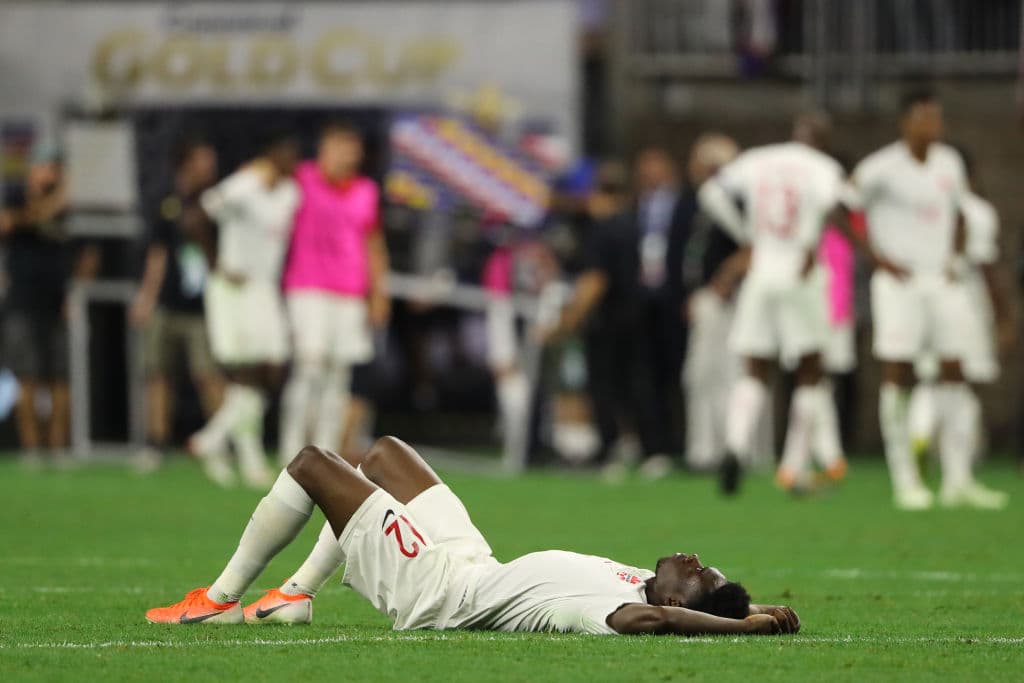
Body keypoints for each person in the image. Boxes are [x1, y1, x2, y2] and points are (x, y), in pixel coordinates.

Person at [145, 436, 800, 637]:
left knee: (314, 465)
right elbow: (682, 599)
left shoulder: (609, 607)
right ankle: (294, 592)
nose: (693, 558)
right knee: (382, 456)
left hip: (439, 591)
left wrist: (746, 627)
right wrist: (760, 606)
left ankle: (220, 595)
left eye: (702, 573)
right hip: (471, 558)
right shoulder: (640, 575)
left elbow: (652, 621)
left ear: (687, 601)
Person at [841, 89, 1009, 510]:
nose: (933, 127)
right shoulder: (881, 167)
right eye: (924, 119)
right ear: (906, 122)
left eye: (937, 119)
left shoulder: (949, 162)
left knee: (955, 368)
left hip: (942, 278)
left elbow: (959, 215)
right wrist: (876, 258)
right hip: (899, 283)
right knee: (900, 369)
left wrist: (954, 255)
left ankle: (958, 477)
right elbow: (843, 207)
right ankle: (905, 478)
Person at [698, 113, 847, 495]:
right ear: (822, 140)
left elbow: (710, 194)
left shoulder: (758, 159)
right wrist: (810, 244)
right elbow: (827, 206)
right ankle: (792, 467)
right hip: (800, 272)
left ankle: (734, 446)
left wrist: (746, 234)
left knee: (754, 368)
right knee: (810, 370)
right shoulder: (823, 166)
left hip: (761, 271)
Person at [546, 148, 690, 480]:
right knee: (641, 384)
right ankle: (655, 449)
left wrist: (568, 320)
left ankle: (610, 450)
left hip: (609, 320)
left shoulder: (602, 228)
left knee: (605, 386)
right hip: (638, 315)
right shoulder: (632, 222)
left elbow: (595, 279)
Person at [188, 131, 301, 488]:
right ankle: (249, 459)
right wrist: (216, 262)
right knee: (245, 372)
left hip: (264, 288)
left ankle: (212, 438)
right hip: (232, 288)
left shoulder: (290, 194)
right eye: (281, 155)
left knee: (273, 369)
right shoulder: (244, 185)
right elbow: (195, 217)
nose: (288, 162)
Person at [278, 121, 390, 465]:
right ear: (325, 147)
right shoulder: (300, 179)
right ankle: (292, 450)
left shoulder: (365, 191)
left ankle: (326, 458)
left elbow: (373, 244)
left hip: (349, 293)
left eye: (354, 147)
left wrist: (378, 292)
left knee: (340, 375)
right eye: (343, 145)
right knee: (309, 367)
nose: (350, 154)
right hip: (308, 287)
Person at [907, 146, 1015, 478]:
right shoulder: (978, 211)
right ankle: (960, 467)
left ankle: (920, 429)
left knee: (931, 376)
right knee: (964, 381)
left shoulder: (920, 208)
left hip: (922, 297)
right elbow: (985, 266)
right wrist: (1004, 314)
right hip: (965, 299)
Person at [0, 146, 100, 463]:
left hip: (59, 303)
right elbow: (9, 223)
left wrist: (77, 290)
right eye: (47, 167)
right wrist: (56, 200)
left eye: (57, 168)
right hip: (23, 301)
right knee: (26, 376)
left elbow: (89, 252)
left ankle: (57, 448)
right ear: (34, 170)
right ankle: (32, 450)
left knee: (61, 377)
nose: (52, 174)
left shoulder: (71, 210)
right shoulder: (16, 196)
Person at [129, 137, 224, 464]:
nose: (209, 167)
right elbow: (157, 255)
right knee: (157, 373)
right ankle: (156, 443)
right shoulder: (166, 201)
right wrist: (146, 299)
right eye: (203, 159)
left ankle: (219, 442)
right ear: (186, 162)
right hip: (168, 303)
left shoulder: (217, 202)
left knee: (208, 375)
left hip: (204, 307)